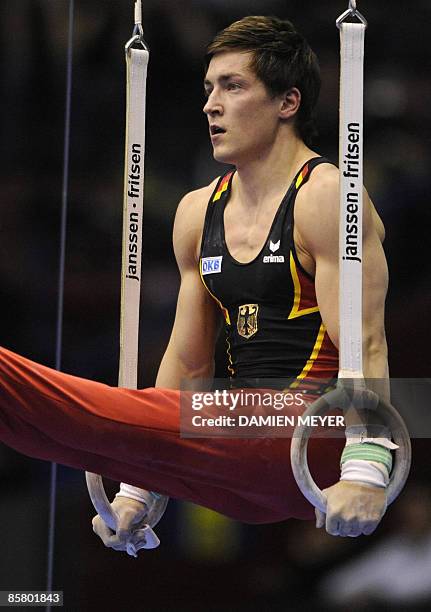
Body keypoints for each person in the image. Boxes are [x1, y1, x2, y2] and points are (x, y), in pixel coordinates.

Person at [0, 16, 393, 552]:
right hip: (236, 453)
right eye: (209, 88)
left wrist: (368, 467)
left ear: (288, 102)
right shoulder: (196, 213)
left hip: (315, 437)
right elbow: (186, 367)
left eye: (233, 86)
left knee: (55, 404)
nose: (211, 104)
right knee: (38, 431)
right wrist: (140, 488)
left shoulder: (326, 198)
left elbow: (366, 341)